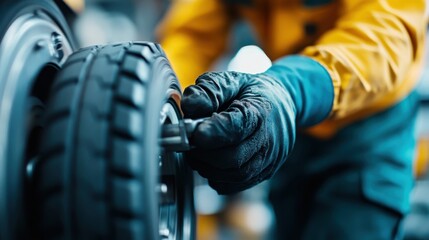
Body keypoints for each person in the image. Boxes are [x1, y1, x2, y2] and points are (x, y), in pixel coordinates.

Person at [157, 0, 426, 239]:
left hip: (369, 130)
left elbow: (383, 38)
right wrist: (160, 104)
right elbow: (192, 37)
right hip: (294, 125)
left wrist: (292, 87)